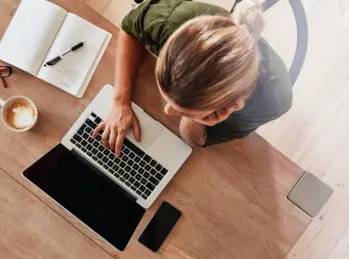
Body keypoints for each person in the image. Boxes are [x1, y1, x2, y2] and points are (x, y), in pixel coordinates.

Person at [92, 0, 293, 157]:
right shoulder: (172, 22)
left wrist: (195, 121)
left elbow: (193, 139)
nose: (167, 111)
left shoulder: (271, 103)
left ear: (233, 105)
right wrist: (120, 102)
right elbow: (130, 27)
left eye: (181, 109)